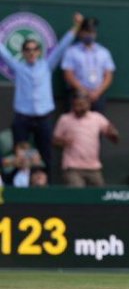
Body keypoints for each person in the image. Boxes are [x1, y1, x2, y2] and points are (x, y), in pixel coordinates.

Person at [0, 12, 83, 171]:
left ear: (39, 51)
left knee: (46, 156)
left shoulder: (47, 65)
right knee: (20, 156)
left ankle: (45, 188)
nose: (31, 52)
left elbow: (62, 46)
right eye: (28, 50)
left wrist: (77, 26)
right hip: (22, 118)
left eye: (34, 49)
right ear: (23, 53)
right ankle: (20, 188)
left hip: (43, 118)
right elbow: (2, 51)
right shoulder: (18, 67)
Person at [52, 91, 119, 187]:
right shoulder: (64, 119)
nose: (78, 108)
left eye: (82, 105)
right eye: (76, 105)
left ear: (88, 104)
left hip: (94, 167)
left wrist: (113, 134)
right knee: (77, 196)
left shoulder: (97, 118)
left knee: (99, 197)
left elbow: (114, 139)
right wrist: (63, 142)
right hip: (72, 167)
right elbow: (54, 141)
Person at [62, 17, 115, 112]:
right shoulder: (72, 51)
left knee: (97, 123)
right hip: (78, 95)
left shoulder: (104, 52)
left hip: (98, 95)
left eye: (92, 32)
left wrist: (97, 92)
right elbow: (68, 75)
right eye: (86, 32)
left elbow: (108, 76)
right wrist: (84, 91)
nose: (89, 35)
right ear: (81, 33)